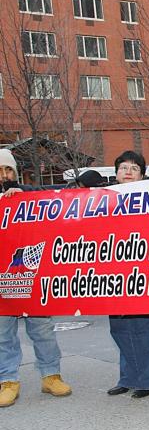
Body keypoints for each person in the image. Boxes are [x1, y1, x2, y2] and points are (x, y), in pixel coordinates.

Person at [0, 149, 72, 407]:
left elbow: (50, 203)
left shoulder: (26, 195)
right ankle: (8, 380)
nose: (4, 176)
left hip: (30, 278)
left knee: (42, 330)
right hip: (2, 280)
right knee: (3, 334)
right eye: (0, 171)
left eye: (8, 170)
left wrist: (23, 197)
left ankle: (50, 375)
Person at [107, 151, 149, 399]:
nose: (128, 172)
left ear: (142, 173)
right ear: (116, 173)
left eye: (134, 168)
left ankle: (146, 381)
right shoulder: (101, 197)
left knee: (142, 329)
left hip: (142, 275)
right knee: (119, 328)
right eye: (123, 167)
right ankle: (127, 378)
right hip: (112, 277)